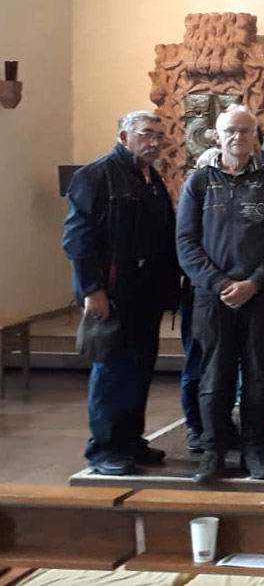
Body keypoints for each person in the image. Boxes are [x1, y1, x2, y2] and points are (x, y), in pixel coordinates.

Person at [176, 105, 264, 484]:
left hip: (259, 295)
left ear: (255, 135)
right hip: (213, 298)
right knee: (214, 375)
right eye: (230, 131)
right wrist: (220, 284)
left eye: (245, 131)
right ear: (217, 135)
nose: (238, 137)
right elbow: (186, 243)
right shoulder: (198, 183)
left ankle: (255, 450)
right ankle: (213, 451)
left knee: (257, 375)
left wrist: (254, 283)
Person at [63, 111, 181, 475]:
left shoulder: (151, 177)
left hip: (146, 290)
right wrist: (91, 289)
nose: (154, 142)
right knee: (112, 370)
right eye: (146, 134)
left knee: (140, 367)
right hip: (113, 290)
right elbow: (76, 239)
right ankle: (104, 449)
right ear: (123, 136)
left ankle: (131, 440)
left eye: (159, 136)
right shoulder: (95, 176)